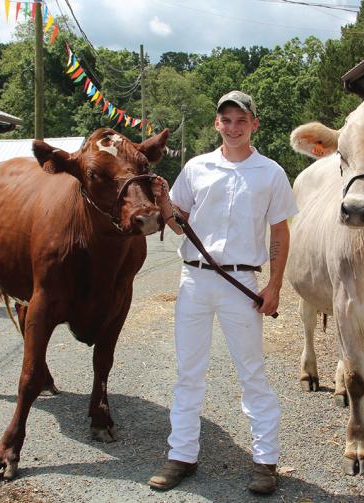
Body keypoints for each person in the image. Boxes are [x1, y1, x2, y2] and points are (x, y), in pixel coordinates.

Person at [149, 90, 298, 494]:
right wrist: (164, 202)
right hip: (194, 280)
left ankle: (265, 461)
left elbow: (280, 232)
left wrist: (275, 285)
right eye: (226, 120)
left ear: (254, 124)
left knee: (252, 373)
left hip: (241, 283)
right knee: (188, 371)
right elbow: (178, 224)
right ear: (217, 123)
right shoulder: (196, 167)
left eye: (241, 120)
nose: (233, 127)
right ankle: (182, 455)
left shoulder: (271, 173)